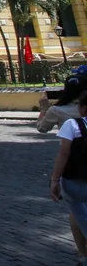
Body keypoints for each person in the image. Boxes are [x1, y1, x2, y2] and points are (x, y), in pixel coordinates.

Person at [38, 76, 87, 260]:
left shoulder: (58, 110)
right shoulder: (81, 106)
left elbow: (42, 129)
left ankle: (83, 252)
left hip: (73, 167)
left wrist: (43, 110)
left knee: (76, 210)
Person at [50, 91, 87, 266]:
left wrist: (54, 180)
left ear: (83, 109)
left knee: (79, 213)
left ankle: (84, 254)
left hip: (75, 180)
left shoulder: (72, 125)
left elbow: (64, 154)